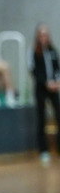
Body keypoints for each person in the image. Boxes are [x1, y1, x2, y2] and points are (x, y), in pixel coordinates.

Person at [31, 23, 59, 165]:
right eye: (41, 35)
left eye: (46, 34)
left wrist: (57, 82)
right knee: (41, 118)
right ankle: (43, 150)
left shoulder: (53, 51)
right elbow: (34, 71)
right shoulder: (34, 52)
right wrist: (45, 82)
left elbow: (57, 68)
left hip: (54, 88)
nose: (44, 37)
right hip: (41, 88)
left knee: (58, 115)